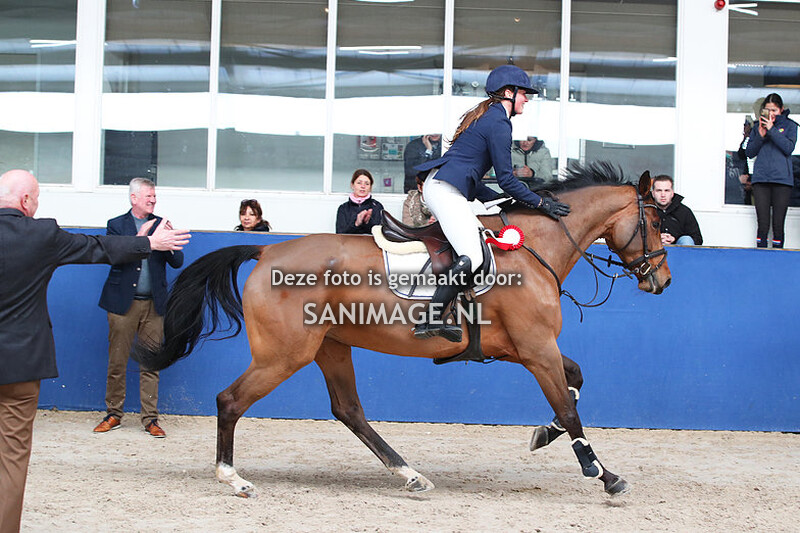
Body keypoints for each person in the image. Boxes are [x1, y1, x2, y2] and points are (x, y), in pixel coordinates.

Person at [0, 169, 189, 533]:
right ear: (25, 201)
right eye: (36, 199)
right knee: (11, 458)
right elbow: (96, 248)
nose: (37, 206)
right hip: (20, 368)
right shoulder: (40, 234)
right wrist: (148, 244)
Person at [413, 64, 570, 342]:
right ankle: (430, 318)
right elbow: (507, 179)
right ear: (508, 93)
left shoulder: (488, 116)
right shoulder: (499, 122)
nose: (527, 100)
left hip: (447, 186)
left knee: (476, 252)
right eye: (524, 94)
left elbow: (474, 178)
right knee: (472, 257)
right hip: (444, 189)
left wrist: (500, 201)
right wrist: (540, 204)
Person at [93, 178, 185, 438]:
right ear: (133, 198)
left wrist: (166, 239)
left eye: (154, 197)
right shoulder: (116, 225)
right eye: (148, 196)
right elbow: (113, 256)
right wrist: (142, 238)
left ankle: (150, 419)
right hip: (122, 305)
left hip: (154, 305)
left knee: (151, 364)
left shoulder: (161, 224)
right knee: (117, 362)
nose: (153, 200)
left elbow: (177, 261)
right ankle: (114, 414)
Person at [745, 93, 798, 248]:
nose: (770, 113)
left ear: (781, 109)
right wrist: (760, 135)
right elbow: (749, 152)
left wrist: (772, 130)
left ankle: (778, 258)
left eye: (774, 110)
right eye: (767, 110)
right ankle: (760, 256)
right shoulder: (757, 127)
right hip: (761, 180)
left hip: (782, 181)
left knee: (778, 223)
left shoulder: (790, 126)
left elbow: (788, 148)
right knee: (762, 223)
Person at [652, 175, 703, 246]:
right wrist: (655, 238)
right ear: (653, 193)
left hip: (678, 252)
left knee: (686, 239)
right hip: (651, 250)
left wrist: (674, 238)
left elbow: (698, 239)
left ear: (672, 193)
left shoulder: (684, 211)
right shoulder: (645, 211)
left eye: (667, 191)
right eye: (659, 190)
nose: (663, 194)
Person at [335, 169, 385, 234]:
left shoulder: (377, 206)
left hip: (369, 243)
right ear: (352, 185)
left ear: (370, 187)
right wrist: (356, 223)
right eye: (359, 183)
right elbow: (340, 234)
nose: (363, 186)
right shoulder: (343, 208)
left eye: (367, 184)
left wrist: (367, 222)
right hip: (349, 243)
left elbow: (380, 233)